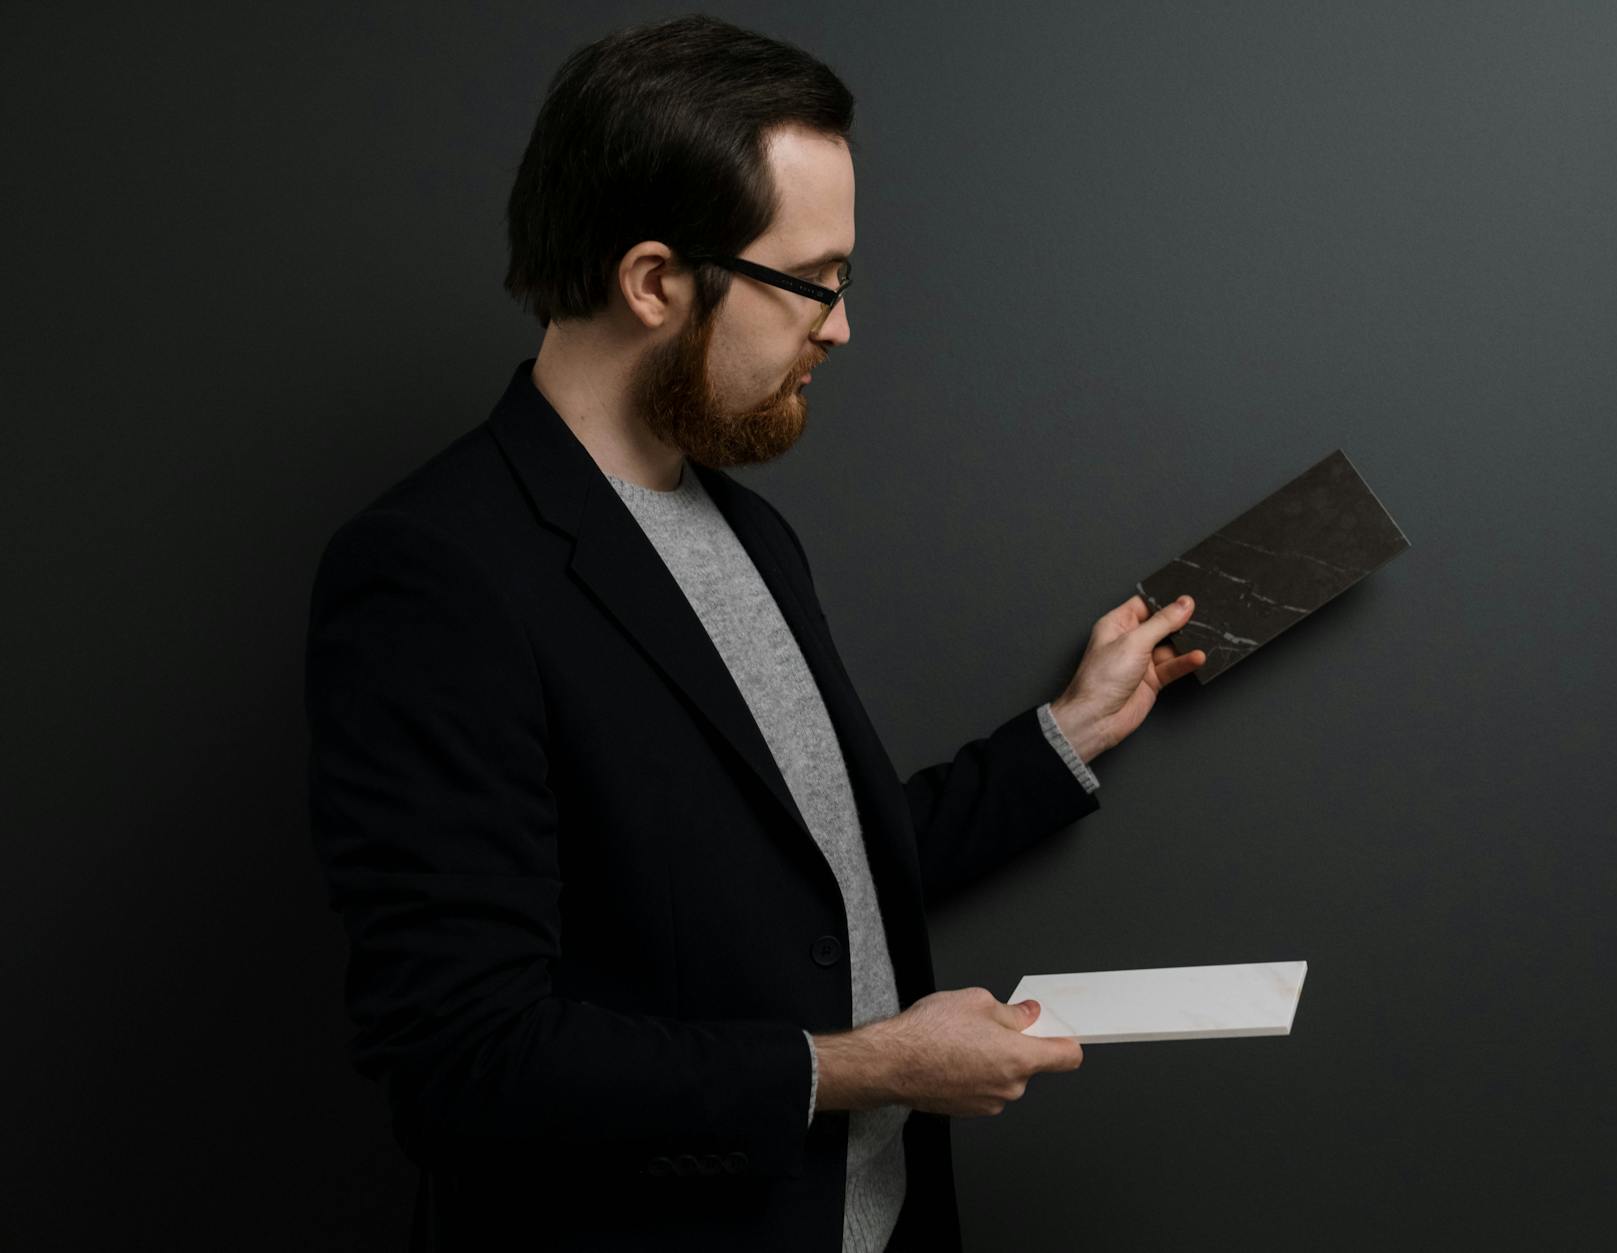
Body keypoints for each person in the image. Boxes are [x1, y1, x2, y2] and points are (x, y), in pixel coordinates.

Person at [303, 14, 1205, 1252]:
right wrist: (863, 1067)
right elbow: (469, 1060)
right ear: (655, 280)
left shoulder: (750, 533)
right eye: (812, 281)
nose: (840, 326)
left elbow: (807, 881)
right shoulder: (434, 572)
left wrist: (1062, 735)